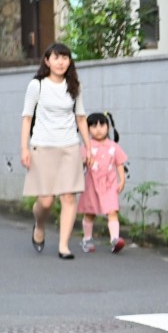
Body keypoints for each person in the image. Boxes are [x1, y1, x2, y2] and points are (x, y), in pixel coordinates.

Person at [20, 43, 91, 260]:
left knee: (69, 196)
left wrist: (88, 147)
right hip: (42, 146)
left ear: (70, 61)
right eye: (56, 57)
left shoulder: (74, 86)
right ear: (47, 61)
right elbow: (27, 118)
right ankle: (39, 226)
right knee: (46, 201)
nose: (61, 62)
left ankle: (63, 246)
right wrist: (24, 148)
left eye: (65, 58)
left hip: (69, 146)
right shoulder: (37, 86)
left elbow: (80, 117)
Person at [78, 112, 128, 254]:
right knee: (90, 213)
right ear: (87, 129)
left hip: (109, 184)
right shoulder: (86, 147)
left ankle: (115, 239)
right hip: (91, 185)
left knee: (112, 211)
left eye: (102, 125)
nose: (98, 129)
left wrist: (122, 179)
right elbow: (80, 163)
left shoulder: (113, 146)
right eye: (93, 126)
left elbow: (119, 163)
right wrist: (83, 160)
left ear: (108, 127)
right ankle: (87, 239)